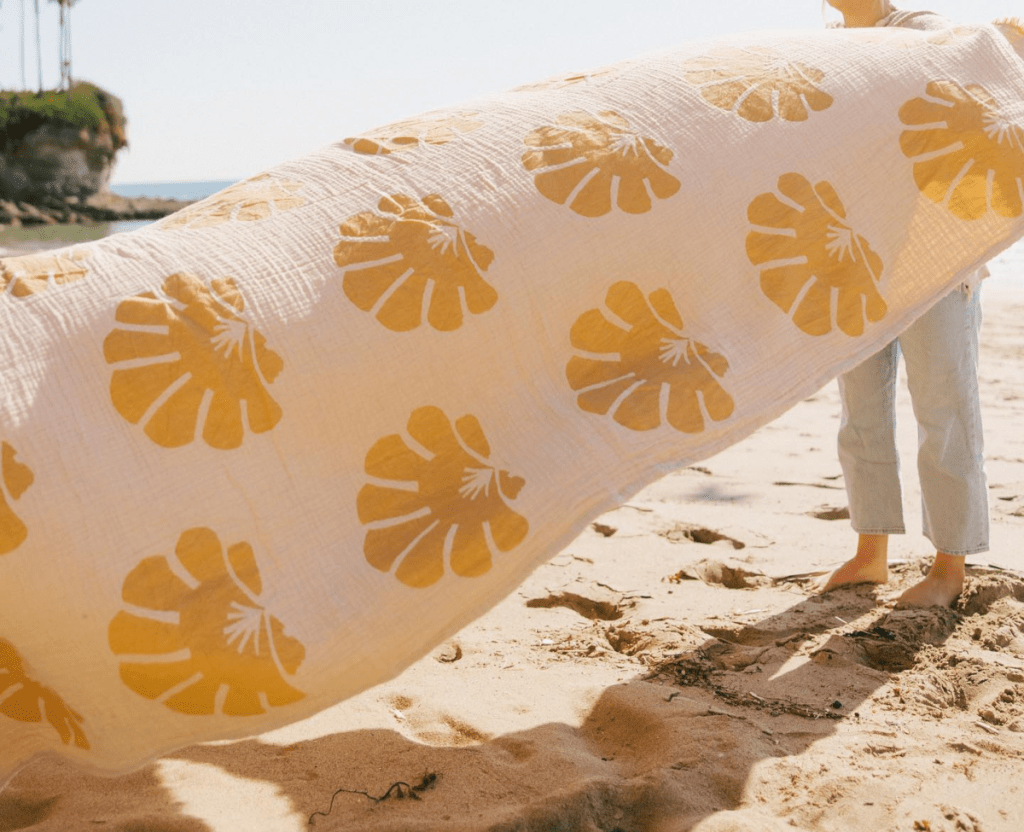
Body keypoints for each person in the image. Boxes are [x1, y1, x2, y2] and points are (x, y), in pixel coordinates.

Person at [820, 0, 990, 608]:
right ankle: (871, 555)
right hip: (853, 254)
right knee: (860, 410)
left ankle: (949, 568)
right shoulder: (825, 46)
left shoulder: (923, 30)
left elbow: (976, 96)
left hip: (934, 254)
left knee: (942, 409)